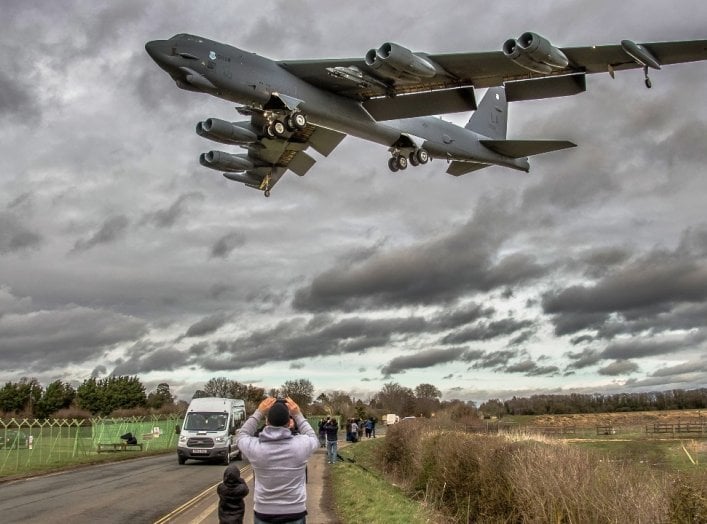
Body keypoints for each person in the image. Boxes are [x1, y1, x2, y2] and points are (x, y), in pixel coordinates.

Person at [236, 397, 319, 524]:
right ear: (288, 423)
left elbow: (242, 435)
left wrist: (259, 412)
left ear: (267, 421)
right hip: (295, 511)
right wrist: (297, 414)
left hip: (264, 511)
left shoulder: (256, 447)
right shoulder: (301, 445)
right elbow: (313, 437)